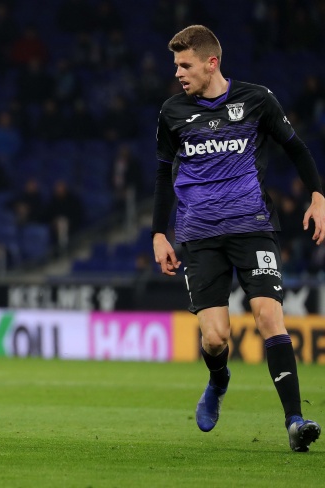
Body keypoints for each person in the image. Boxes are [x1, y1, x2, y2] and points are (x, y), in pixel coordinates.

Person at [151, 25, 323, 452]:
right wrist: (158, 232)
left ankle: (294, 421)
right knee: (215, 338)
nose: (178, 73)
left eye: (185, 64)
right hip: (199, 237)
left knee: (269, 316)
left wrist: (318, 197)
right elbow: (160, 174)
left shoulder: (257, 100)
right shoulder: (172, 112)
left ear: (212, 63)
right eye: (176, 65)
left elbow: (297, 148)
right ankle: (218, 379)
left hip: (252, 228)